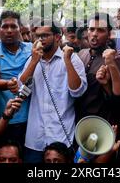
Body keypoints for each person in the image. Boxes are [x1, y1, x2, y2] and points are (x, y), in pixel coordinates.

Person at [18, 19, 87, 163]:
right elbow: (21, 88)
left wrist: (67, 60)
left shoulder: (72, 58)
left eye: (44, 35)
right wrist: (34, 61)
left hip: (61, 137)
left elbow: (77, 91)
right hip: (35, 139)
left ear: (57, 36)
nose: (40, 39)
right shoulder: (32, 60)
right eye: (37, 36)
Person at [0, 10, 32, 146]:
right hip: (2, 118)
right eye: (5, 26)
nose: (9, 30)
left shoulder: (31, 49)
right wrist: (9, 84)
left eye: (13, 26)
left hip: (28, 118)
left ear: (20, 29)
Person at [76, 12, 120, 126]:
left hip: (103, 124)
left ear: (109, 34)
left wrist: (106, 85)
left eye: (100, 30)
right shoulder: (81, 55)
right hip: (78, 122)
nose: (94, 34)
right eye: (91, 29)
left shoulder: (116, 61)